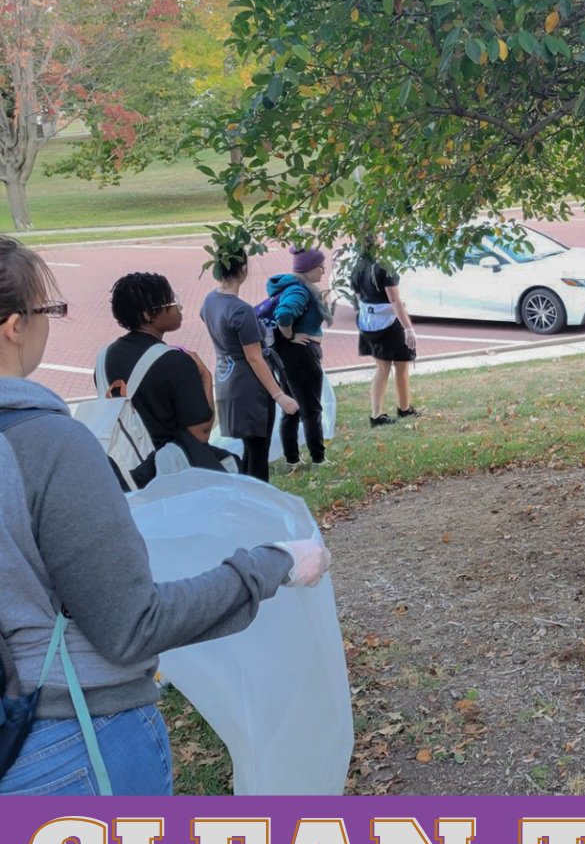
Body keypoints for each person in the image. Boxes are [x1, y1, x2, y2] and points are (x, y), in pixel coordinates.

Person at [0, 235, 331, 795]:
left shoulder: (107, 357)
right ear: (13, 325)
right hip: (67, 740)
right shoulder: (49, 444)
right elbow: (129, 624)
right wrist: (269, 565)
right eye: (48, 310)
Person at [200, 243, 299, 482]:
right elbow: (254, 358)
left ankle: (246, 504)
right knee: (257, 456)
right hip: (249, 387)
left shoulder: (210, 300)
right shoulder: (241, 311)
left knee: (250, 451)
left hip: (226, 380)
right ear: (243, 268)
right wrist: (279, 395)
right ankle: (259, 508)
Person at [102, 272, 215, 447]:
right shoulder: (176, 362)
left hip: (123, 466)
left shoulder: (104, 358)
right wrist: (206, 376)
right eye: (172, 301)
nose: (179, 307)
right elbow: (201, 433)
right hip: (166, 467)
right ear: (148, 314)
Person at [266, 246, 331, 466]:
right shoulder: (300, 290)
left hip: (287, 357)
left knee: (292, 408)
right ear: (309, 268)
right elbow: (284, 314)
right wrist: (291, 335)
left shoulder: (289, 285)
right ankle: (318, 459)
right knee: (311, 409)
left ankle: (292, 459)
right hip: (301, 356)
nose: (324, 270)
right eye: (321, 266)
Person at [346, 235, 419, 427]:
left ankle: (377, 414)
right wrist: (408, 328)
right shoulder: (384, 266)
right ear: (377, 240)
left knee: (382, 368)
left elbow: (358, 297)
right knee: (401, 366)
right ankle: (403, 409)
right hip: (388, 321)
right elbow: (394, 301)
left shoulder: (357, 267)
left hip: (368, 321)